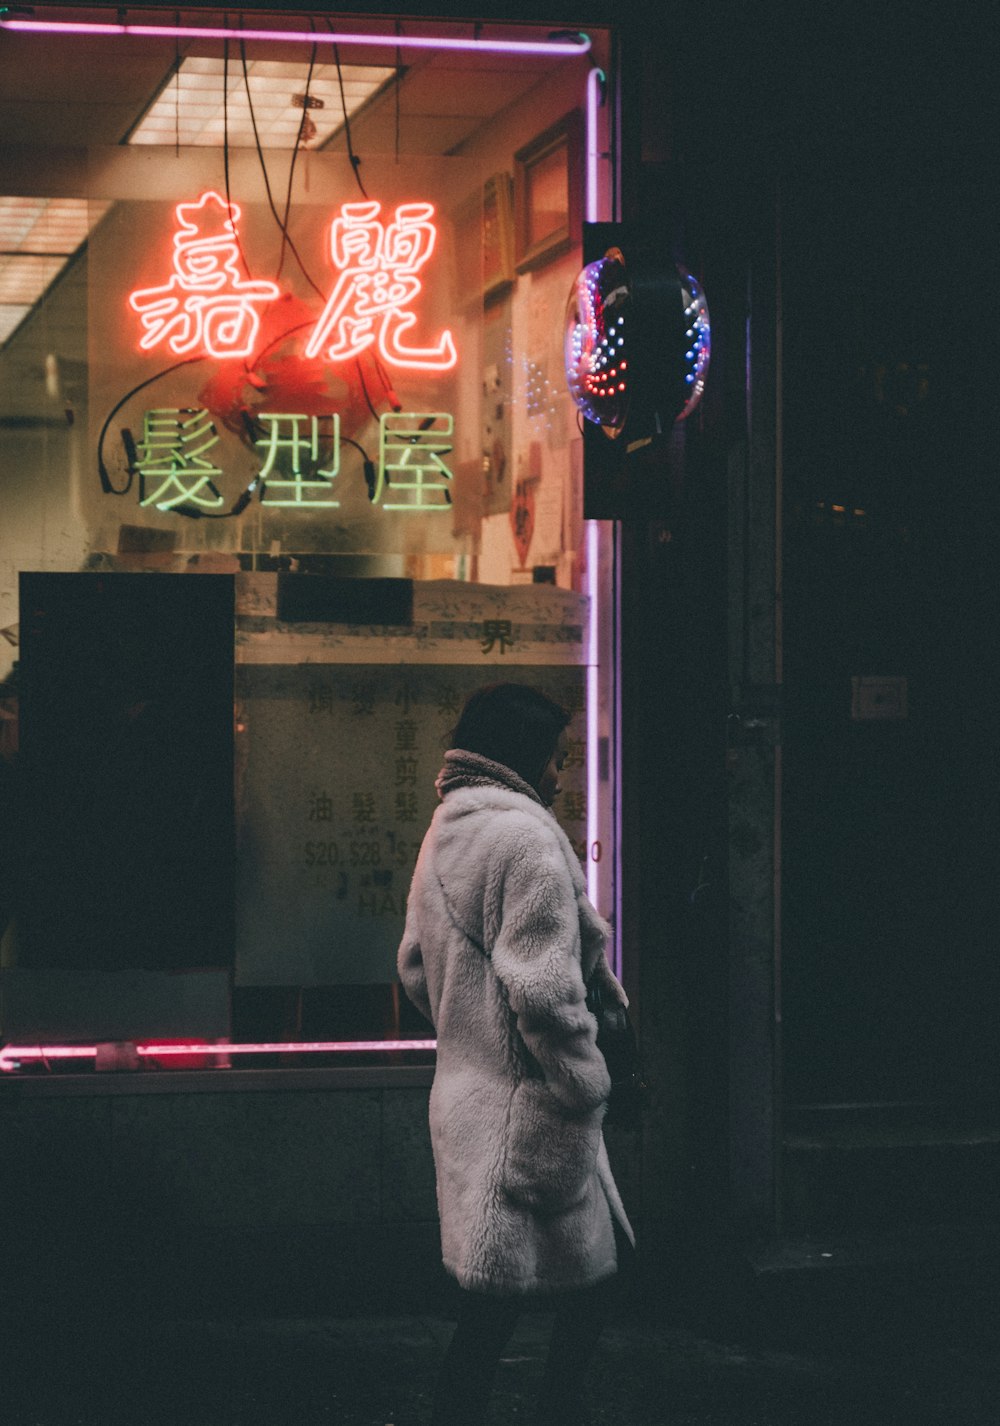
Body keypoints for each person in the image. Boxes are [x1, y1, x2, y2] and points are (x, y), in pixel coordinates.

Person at [397, 682, 634, 1426]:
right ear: (524, 757)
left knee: (500, 1300)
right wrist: (584, 1081)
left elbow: (412, 966)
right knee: (578, 1289)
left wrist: (469, 1027)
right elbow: (545, 992)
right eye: (555, 758)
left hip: (473, 1100)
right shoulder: (524, 838)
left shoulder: (452, 828)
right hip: (532, 1108)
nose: (561, 775)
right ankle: (552, 1408)